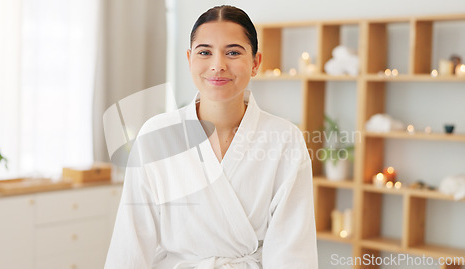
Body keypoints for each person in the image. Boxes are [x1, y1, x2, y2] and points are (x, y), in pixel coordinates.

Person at [104, 5, 318, 269]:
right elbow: (131, 242)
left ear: (255, 63)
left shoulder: (285, 139)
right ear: (189, 59)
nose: (218, 65)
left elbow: (292, 250)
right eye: (205, 52)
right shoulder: (156, 135)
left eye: (233, 52)